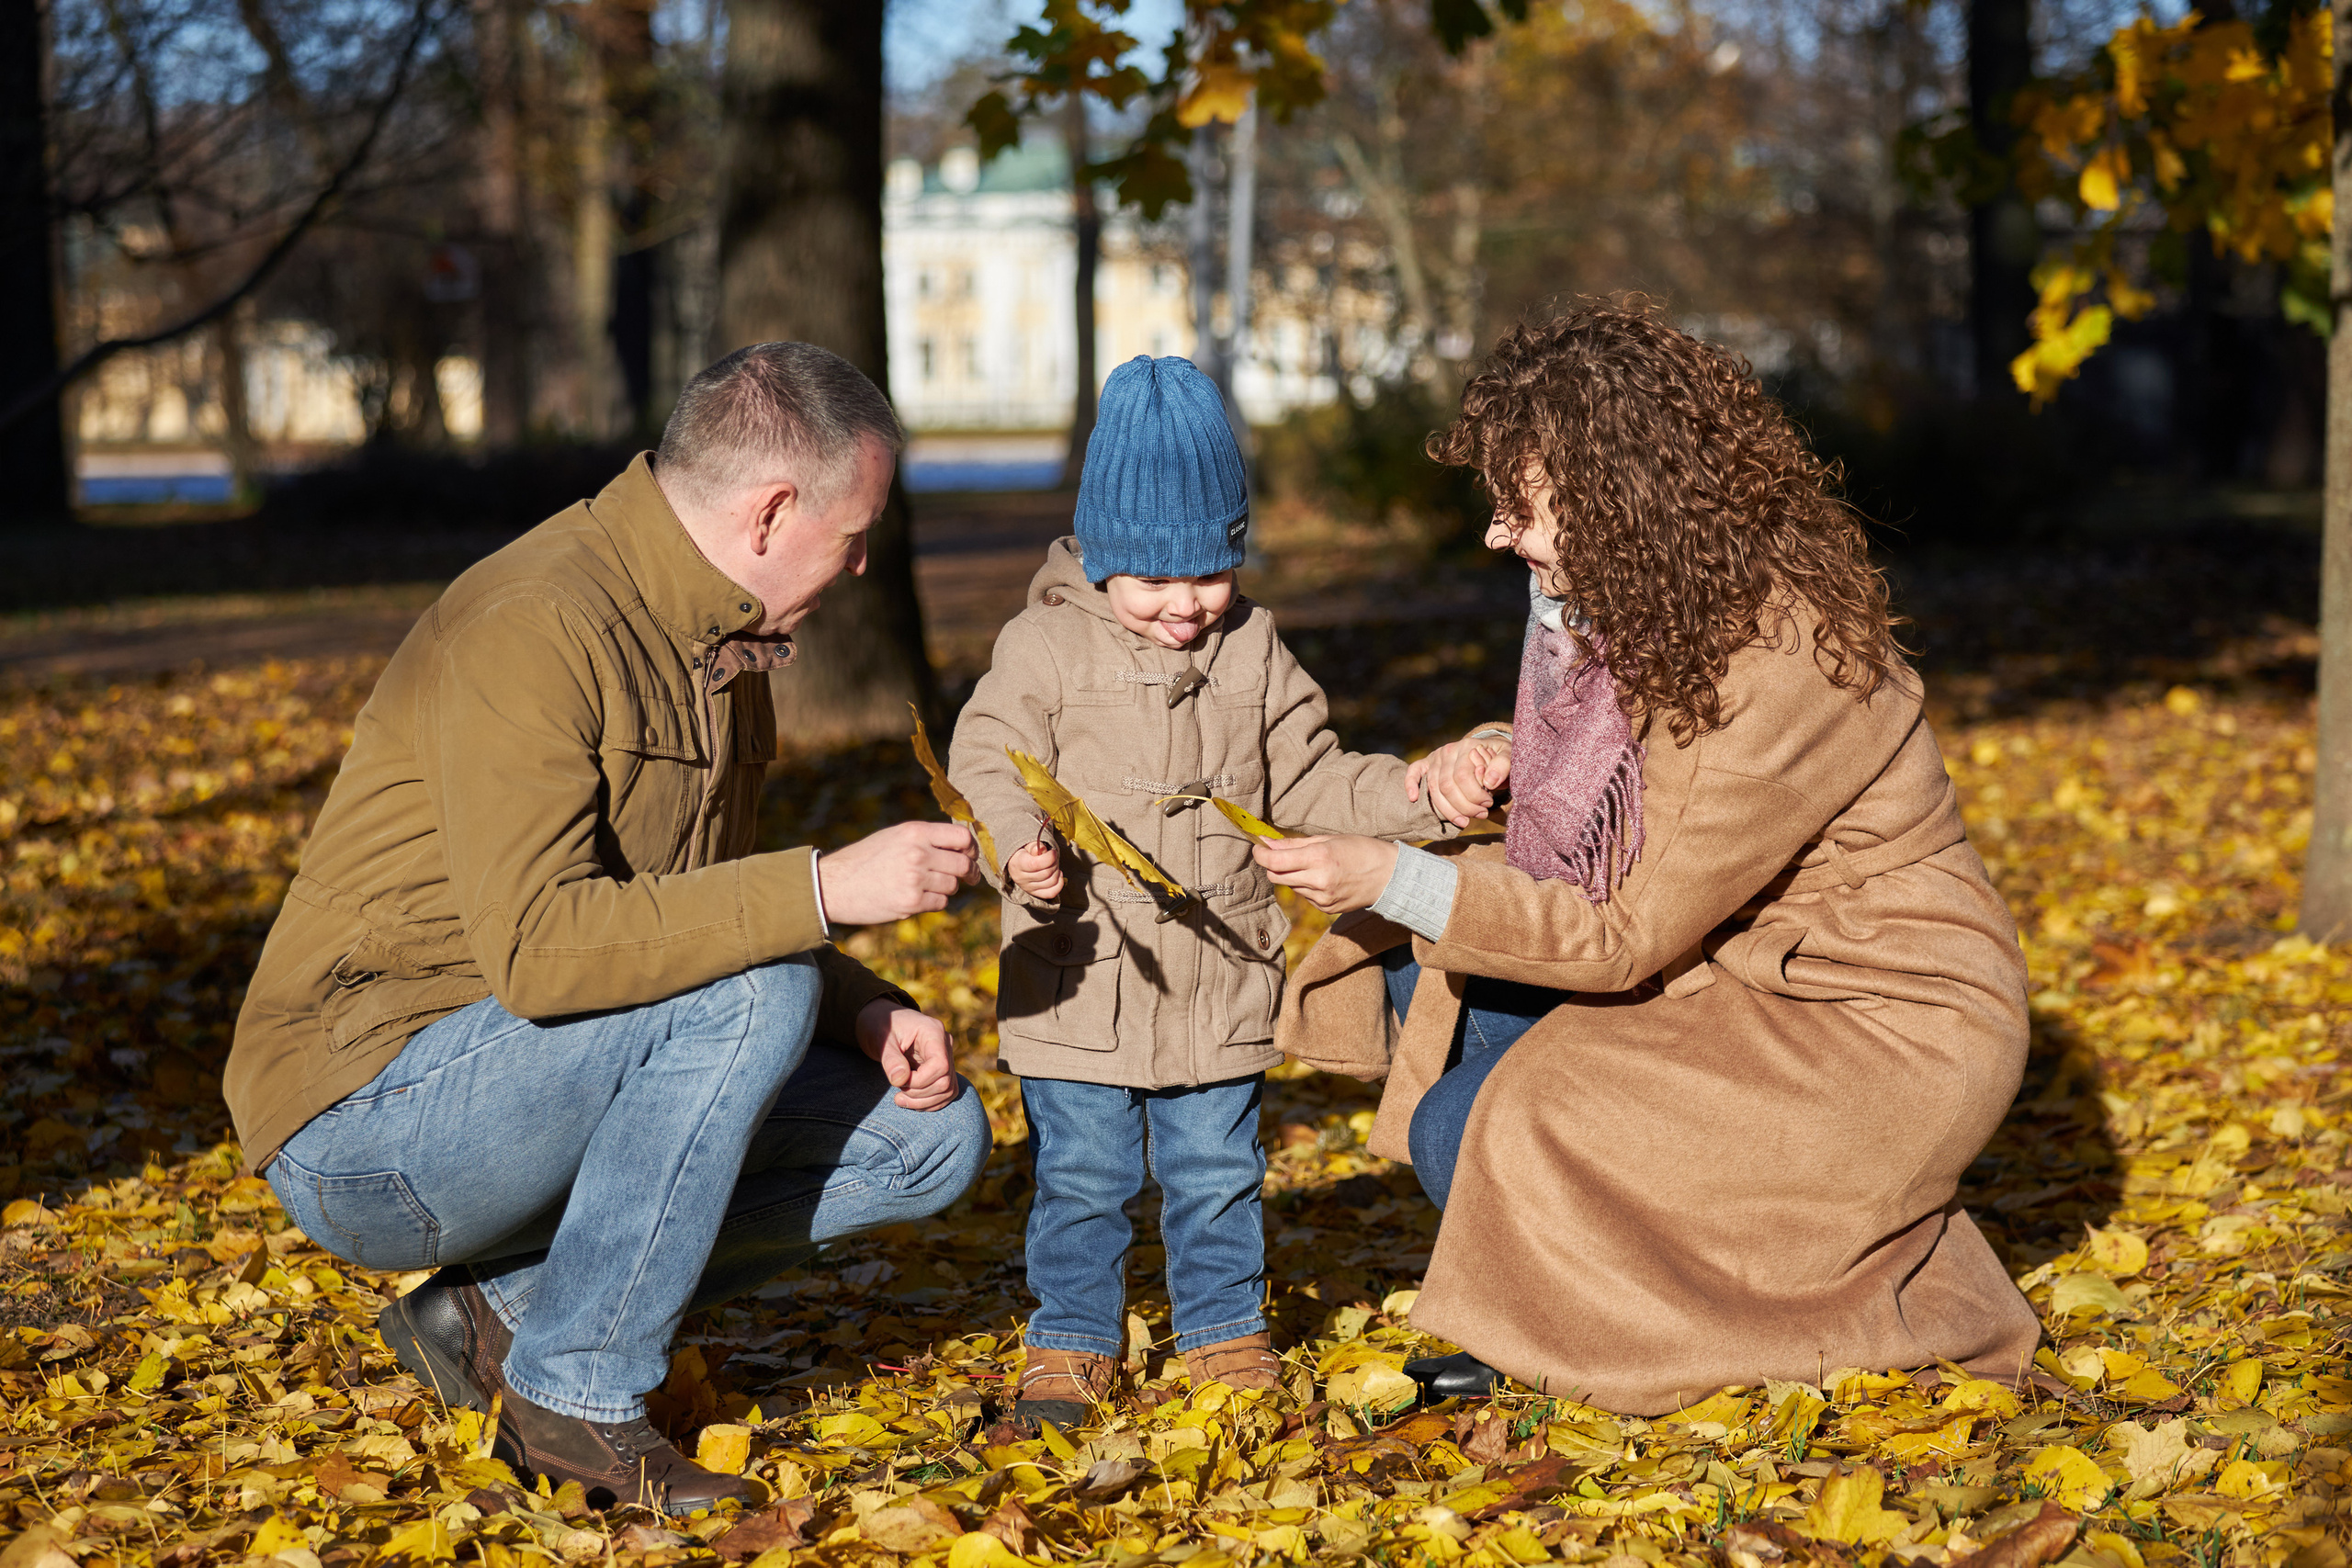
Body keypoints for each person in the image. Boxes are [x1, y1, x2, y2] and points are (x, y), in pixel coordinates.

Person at [224, 343, 993, 1510]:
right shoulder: (531, 623)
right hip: (367, 1122)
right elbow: (544, 951)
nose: (863, 559)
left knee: (927, 1138)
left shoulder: (722, 639)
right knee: (758, 997)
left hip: (542, 1069)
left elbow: (691, 915)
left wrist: (866, 1003)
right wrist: (827, 891)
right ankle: (576, 1401)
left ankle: (496, 1316)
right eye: (855, 532)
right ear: (773, 510)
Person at [1261, 302, 2041, 1413]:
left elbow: (1625, 931)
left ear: (1623, 503)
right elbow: (1642, 797)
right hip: (1742, 970)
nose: (1497, 536)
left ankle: (1678, 1314)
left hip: (1875, 1018)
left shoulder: (1777, 655)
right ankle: (1555, 1291)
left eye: (1520, 509)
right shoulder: (1645, 603)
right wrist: (1499, 758)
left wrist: (1398, 874)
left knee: (1470, 1117)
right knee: (1417, 977)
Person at [947, 356, 1457, 1428]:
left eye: (1208, 576)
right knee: (1082, 1176)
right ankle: (1072, 1344)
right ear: (1099, 560)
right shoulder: (1042, 647)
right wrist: (1016, 844)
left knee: (1216, 1170)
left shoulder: (1253, 648)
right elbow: (986, 757)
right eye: (1153, 581)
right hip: (1082, 972)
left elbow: (1311, 775)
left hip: (1221, 970)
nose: (1185, 605)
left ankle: (1223, 1332)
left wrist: (1417, 792)